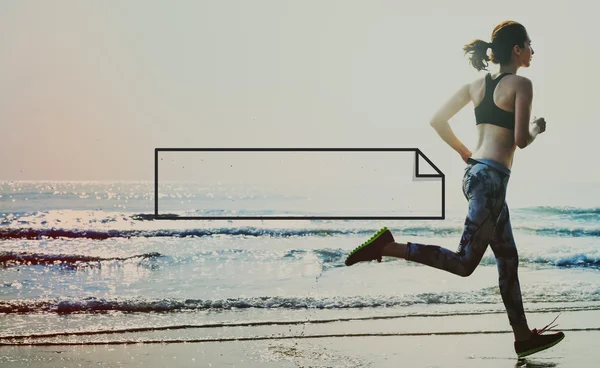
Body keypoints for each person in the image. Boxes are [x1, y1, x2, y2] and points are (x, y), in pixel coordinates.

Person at [344, 20, 565, 358]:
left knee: (507, 257)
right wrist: (536, 128)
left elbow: (437, 120)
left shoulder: (475, 85)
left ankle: (523, 337)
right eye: (530, 44)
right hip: (491, 181)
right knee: (465, 263)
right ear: (517, 49)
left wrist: (465, 152)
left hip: (477, 175)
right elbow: (520, 140)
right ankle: (389, 247)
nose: (533, 51)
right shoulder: (522, 84)